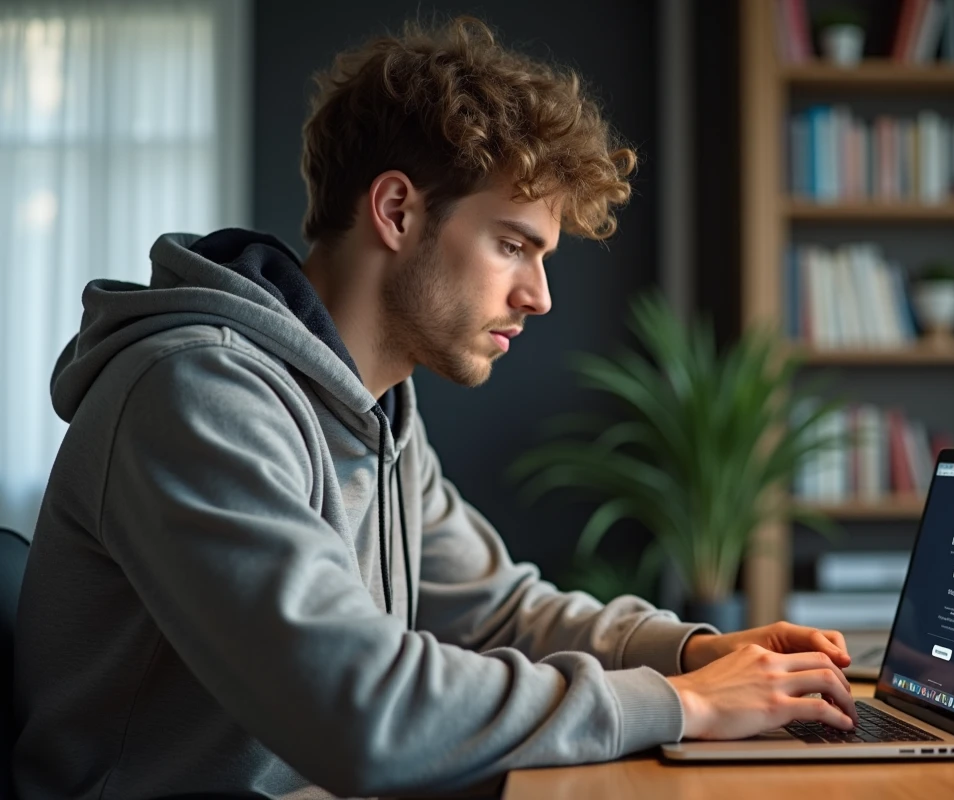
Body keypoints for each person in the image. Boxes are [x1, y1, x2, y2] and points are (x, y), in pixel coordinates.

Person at [12, 16, 858, 799]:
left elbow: (496, 613)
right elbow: (357, 711)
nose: (540, 297)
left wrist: (695, 652)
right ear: (396, 211)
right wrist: (682, 704)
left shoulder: (375, 410)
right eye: (513, 244)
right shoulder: (196, 393)